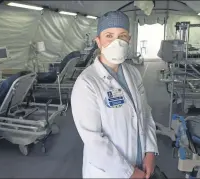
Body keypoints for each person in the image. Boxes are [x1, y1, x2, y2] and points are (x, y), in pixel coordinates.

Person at [71, 11, 159, 178]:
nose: (116, 43)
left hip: (140, 162)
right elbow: (93, 139)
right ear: (98, 41)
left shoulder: (133, 73)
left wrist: (150, 151)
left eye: (122, 36)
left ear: (129, 40)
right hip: (110, 171)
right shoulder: (87, 83)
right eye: (109, 36)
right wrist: (129, 172)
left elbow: (145, 113)